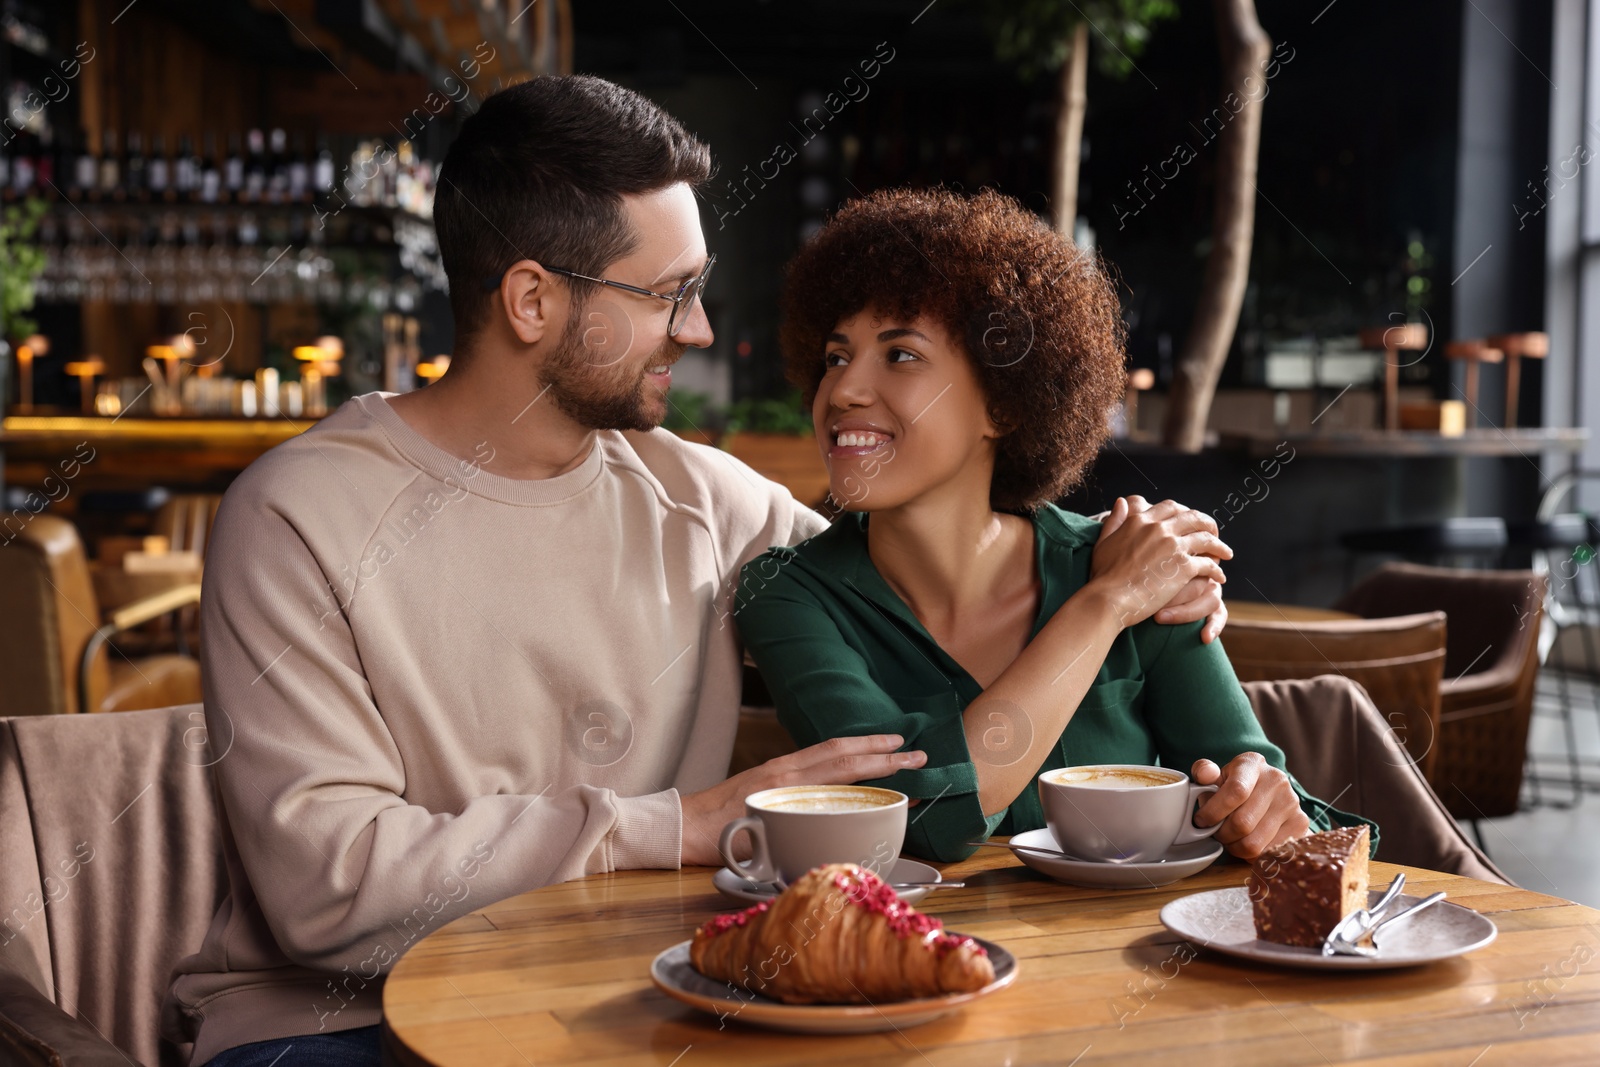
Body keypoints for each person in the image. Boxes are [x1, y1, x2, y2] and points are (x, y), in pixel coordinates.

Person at [161, 79, 1227, 1066]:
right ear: (531, 301)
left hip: (626, 1000)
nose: (700, 329)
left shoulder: (710, 501)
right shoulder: (296, 515)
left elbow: (922, 603)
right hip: (332, 1022)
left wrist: (1142, 573)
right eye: (669, 294)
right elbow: (327, 888)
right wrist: (671, 823)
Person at [735, 186, 1376, 865]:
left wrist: (1264, 808)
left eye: (900, 355)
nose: (844, 390)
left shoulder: (1132, 557)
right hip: (909, 964)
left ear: (1003, 405)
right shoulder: (788, 596)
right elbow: (913, 820)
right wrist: (1107, 605)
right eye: (836, 357)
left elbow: (1282, 813)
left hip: (1129, 968)